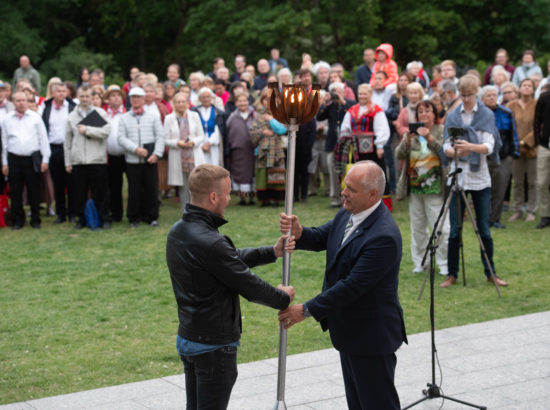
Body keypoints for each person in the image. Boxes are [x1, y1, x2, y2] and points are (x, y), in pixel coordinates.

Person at [278, 161, 407, 410]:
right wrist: (300, 231)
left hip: (371, 337)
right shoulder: (349, 213)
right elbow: (322, 237)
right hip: (349, 332)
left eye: (351, 189)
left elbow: (352, 286)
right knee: (358, 403)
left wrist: (305, 310)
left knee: (377, 404)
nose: (343, 193)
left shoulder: (383, 236)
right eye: (344, 186)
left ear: (372, 195)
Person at [166, 163, 295, 410]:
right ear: (213, 197)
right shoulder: (210, 242)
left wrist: (272, 252)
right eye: (226, 193)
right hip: (213, 345)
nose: (229, 198)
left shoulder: (178, 231)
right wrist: (283, 298)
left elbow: (227, 260)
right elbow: (249, 285)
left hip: (189, 337)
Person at [441, 75, 508, 288]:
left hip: (480, 178)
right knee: (454, 229)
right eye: (463, 95)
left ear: (476, 93)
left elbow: (489, 147)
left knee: (484, 229)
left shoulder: (486, 115)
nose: (467, 99)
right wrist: (453, 151)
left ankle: (491, 272)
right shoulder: (453, 116)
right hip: (458, 176)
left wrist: (469, 147)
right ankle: (452, 274)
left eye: (470, 95)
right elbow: (445, 146)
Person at [396, 101, 449, 275]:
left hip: (435, 188)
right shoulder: (411, 133)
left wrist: (430, 139)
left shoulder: (440, 131)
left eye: (428, 111)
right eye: (420, 111)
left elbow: (445, 154)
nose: (424, 114)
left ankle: (444, 263)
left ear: (434, 114)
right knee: (418, 228)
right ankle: (421, 262)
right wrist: (407, 141)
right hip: (415, 188)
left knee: (441, 227)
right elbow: (399, 155)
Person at [1, 92, 50, 229]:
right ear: (13, 102)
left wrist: (45, 159)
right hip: (14, 158)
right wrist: (4, 163)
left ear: (28, 102)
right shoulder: (7, 119)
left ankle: (35, 219)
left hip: (31, 158)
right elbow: (4, 143)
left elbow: (43, 139)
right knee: (15, 191)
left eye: (24, 100)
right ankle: (18, 220)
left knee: (33, 190)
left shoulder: (35, 118)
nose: (22, 103)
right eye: (18, 100)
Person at [64, 86, 111, 229]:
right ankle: (82, 220)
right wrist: (68, 162)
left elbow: (106, 132)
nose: (85, 99)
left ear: (92, 97)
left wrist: (88, 130)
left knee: (100, 192)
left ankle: (104, 219)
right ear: (78, 97)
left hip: (96, 160)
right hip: (78, 161)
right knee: (79, 193)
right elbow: (67, 142)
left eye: (87, 96)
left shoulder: (100, 113)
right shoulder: (72, 116)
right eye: (82, 96)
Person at [117, 87, 165, 227]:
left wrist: (156, 154)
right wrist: (135, 149)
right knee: (134, 190)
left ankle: (151, 216)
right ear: (130, 100)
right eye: (133, 97)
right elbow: (121, 138)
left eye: (138, 97)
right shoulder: (124, 118)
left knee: (151, 189)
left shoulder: (153, 117)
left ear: (144, 99)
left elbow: (160, 137)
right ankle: (134, 217)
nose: (136, 100)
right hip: (132, 160)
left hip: (150, 160)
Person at [339, 83, 392, 209]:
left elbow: (382, 129)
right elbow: (345, 127)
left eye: (365, 94)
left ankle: (381, 203)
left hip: (372, 148)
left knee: (375, 174)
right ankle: (356, 201)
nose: (362, 96)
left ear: (370, 95)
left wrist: (380, 145)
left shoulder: (376, 110)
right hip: (356, 149)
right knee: (357, 175)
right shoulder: (352, 110)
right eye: (360, 94)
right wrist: (346, 138)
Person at [480, 85, 519, 229]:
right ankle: (482, 219)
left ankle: (495, 219)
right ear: (483, 98)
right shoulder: (479, 114)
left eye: (493, 95)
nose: (491, 97)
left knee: (500, 190)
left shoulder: (506, 112)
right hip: (483, 158)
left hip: (503, 158)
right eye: (488, 95)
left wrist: (514, 153)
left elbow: (513, 133)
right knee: (483, 191)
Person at [41, 81, 77, 224]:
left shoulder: (72, 107)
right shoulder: (47, 108)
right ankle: (61, 213)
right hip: (54, 148)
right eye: (59, 91)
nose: (61, 94)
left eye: (64, 91)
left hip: (69, 148)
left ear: (67, 93)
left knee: (71, 182)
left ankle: (73, 213)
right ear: (54, 93)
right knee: (58, 183)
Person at [317, 84, 355, 207]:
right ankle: (335, 199)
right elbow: (319, 116)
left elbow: (353, 114)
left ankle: (349, 199)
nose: (335, 93)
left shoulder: (350, 103)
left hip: (347, 144)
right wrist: (325, 102)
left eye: (337, 91)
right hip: (332, 143)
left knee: (348, 172)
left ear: (343, 92)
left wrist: (342, 101)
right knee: (332, 172)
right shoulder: (330, 106)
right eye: (333, 91)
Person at [165, 92, 205, 209]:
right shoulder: (169, 119)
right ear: (174, 104)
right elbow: (166, 139)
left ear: (187, 103)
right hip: (178, 156)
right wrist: (177, 143)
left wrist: (193, 142)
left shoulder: (194, 116)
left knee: (196, 185)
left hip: (194, 154)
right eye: (178, 102)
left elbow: (201, 136)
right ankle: (186, 211)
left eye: (183, 102)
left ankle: (198, 210)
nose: (181, 104)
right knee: (183, 186)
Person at [249, 90, 287, 207]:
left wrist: (271, 120)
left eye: (271, 99)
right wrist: (262, 132)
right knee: (262, 174)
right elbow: (252, 132)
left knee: (276, 172)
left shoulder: (280, 114)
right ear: (262, 101)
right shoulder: (258, 115)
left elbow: (282, 130)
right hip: (262, 150)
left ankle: (276, 199)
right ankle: (264, 200)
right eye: (266, 99)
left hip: (276, 150)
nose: (268, 102)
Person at [507, 78, 538, 223]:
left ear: (533, 88)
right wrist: (516, 143)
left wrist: (526, 142)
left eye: (529, 85)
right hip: (516, 148)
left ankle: (532, 210)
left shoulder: (537, 104)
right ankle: (518, 210)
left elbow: (540, 126)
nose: (526, 88)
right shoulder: (511, 105)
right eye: (524, 85)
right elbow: (508, 125)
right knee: (517, 181)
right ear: (519, 88)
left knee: (533, 181)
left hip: (532, 148)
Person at [226, 94, 256, 205]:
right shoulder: (232, 117)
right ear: (236, 103)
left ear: (248, 102)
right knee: (240, 174)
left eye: (244, 101)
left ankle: (252, 198)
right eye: (240, 101)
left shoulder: (255, 115)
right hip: (238, 151)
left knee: (252, 175)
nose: (243, 103)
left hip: (253, 150)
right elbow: (228, 132)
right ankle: (242, 198)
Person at [105, 85, 127, 222]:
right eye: (112, 95)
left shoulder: (127, 113)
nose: (116, 98)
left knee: (135, 185)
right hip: (111, 156)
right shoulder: (104, 114)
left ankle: (136, 212)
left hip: (127, 155)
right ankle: (116, 213)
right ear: (108, 99)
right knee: (114, 186)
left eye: (118, 95)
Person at [192, 87, 226, 167]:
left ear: (211, 98)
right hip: (199, 144)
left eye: (208, 97)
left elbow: (219, 130)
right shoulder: (194, 112)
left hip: (213, 145)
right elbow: (193, 128)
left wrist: (209, 143)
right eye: (203, 97)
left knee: (214, 168)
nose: (206, 99)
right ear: (200, 99)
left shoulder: (218, 112)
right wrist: (202, 144)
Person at [534, 84, 550, 229]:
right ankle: (545, 215)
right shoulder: (544, 97)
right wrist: (537, 143)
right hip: (545, 146)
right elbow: (537, 120)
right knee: (542, 182)